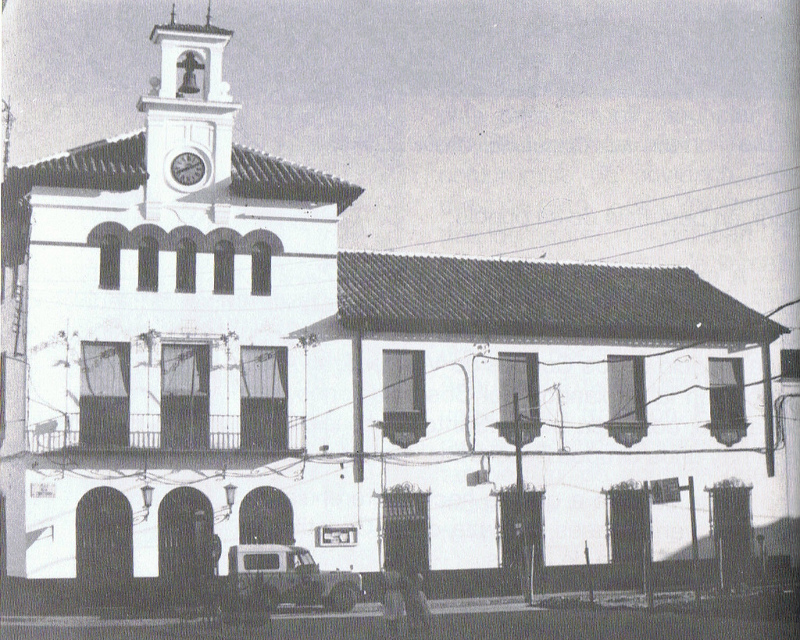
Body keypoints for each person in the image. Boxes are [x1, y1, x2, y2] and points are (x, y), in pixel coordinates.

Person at [403, 572, 432, 637]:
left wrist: (428, 611)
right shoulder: (411, 592)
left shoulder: (421, 593)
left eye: (421, 581)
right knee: (415, 624)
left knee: (424, 622)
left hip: (419, 609)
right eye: (419, 581)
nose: (420, 583)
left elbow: (425, 605)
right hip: (414, 609)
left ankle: (426, 631)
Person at [382, 564, 406, 638]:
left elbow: (383, 586)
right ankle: (396, 632)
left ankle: (391, 633)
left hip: (389, 594)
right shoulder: (398, 575)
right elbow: (402, 585)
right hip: (397, 594)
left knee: (390, 615)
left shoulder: (385, 575)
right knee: (397, 615)